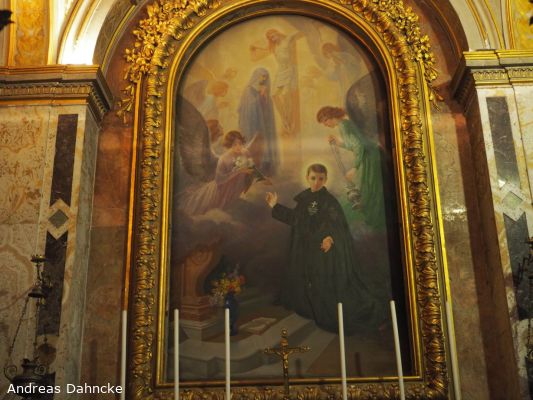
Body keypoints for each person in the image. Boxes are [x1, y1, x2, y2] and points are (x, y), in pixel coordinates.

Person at [265, 164, 381, 334]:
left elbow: (337, 225)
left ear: (325, 179)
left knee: (322, 285)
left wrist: (330, 237)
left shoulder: (329, 201)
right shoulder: (304, 199)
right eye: (313, 178)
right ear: (307, 178)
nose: (316, 182)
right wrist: (275, 206)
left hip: (321, 250)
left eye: (320, 179)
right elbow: (296, 219)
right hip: (304, 249)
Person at [317, 106, 386, 231]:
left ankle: (377, 221)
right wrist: (338, 143)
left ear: (329, 117)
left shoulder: (344, 125)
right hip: (370, 155)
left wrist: (354, 168)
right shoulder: (345, 123)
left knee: (372, 187)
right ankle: (375, 220)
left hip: (371, 156)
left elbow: (359, 146)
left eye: (324, 122)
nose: (325, 125)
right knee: (371, 187)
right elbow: (353, 145)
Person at [180, 131, 257, 215]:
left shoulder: (246, 153)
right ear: (229, 145)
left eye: (240, 143)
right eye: (235, 144)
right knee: (209, 210)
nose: (238, 147)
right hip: (221, 191)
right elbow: (219, 180)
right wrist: (238, 171)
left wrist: (248, 180)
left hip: (236, 188)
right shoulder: (224, 159)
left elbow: (251, 168)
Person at [238, 68, 279, 176]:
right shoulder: (249, 90)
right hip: (252, 125)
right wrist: (260, 96)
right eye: (262, 76)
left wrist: (265, 97)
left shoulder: (264, 89)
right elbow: (249, 108)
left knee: (265, 145)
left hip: (264, 124)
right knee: (254, 145)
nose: (263, 79)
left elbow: (267, 107)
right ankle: (253, 169)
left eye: (265, 77)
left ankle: (265, 168)